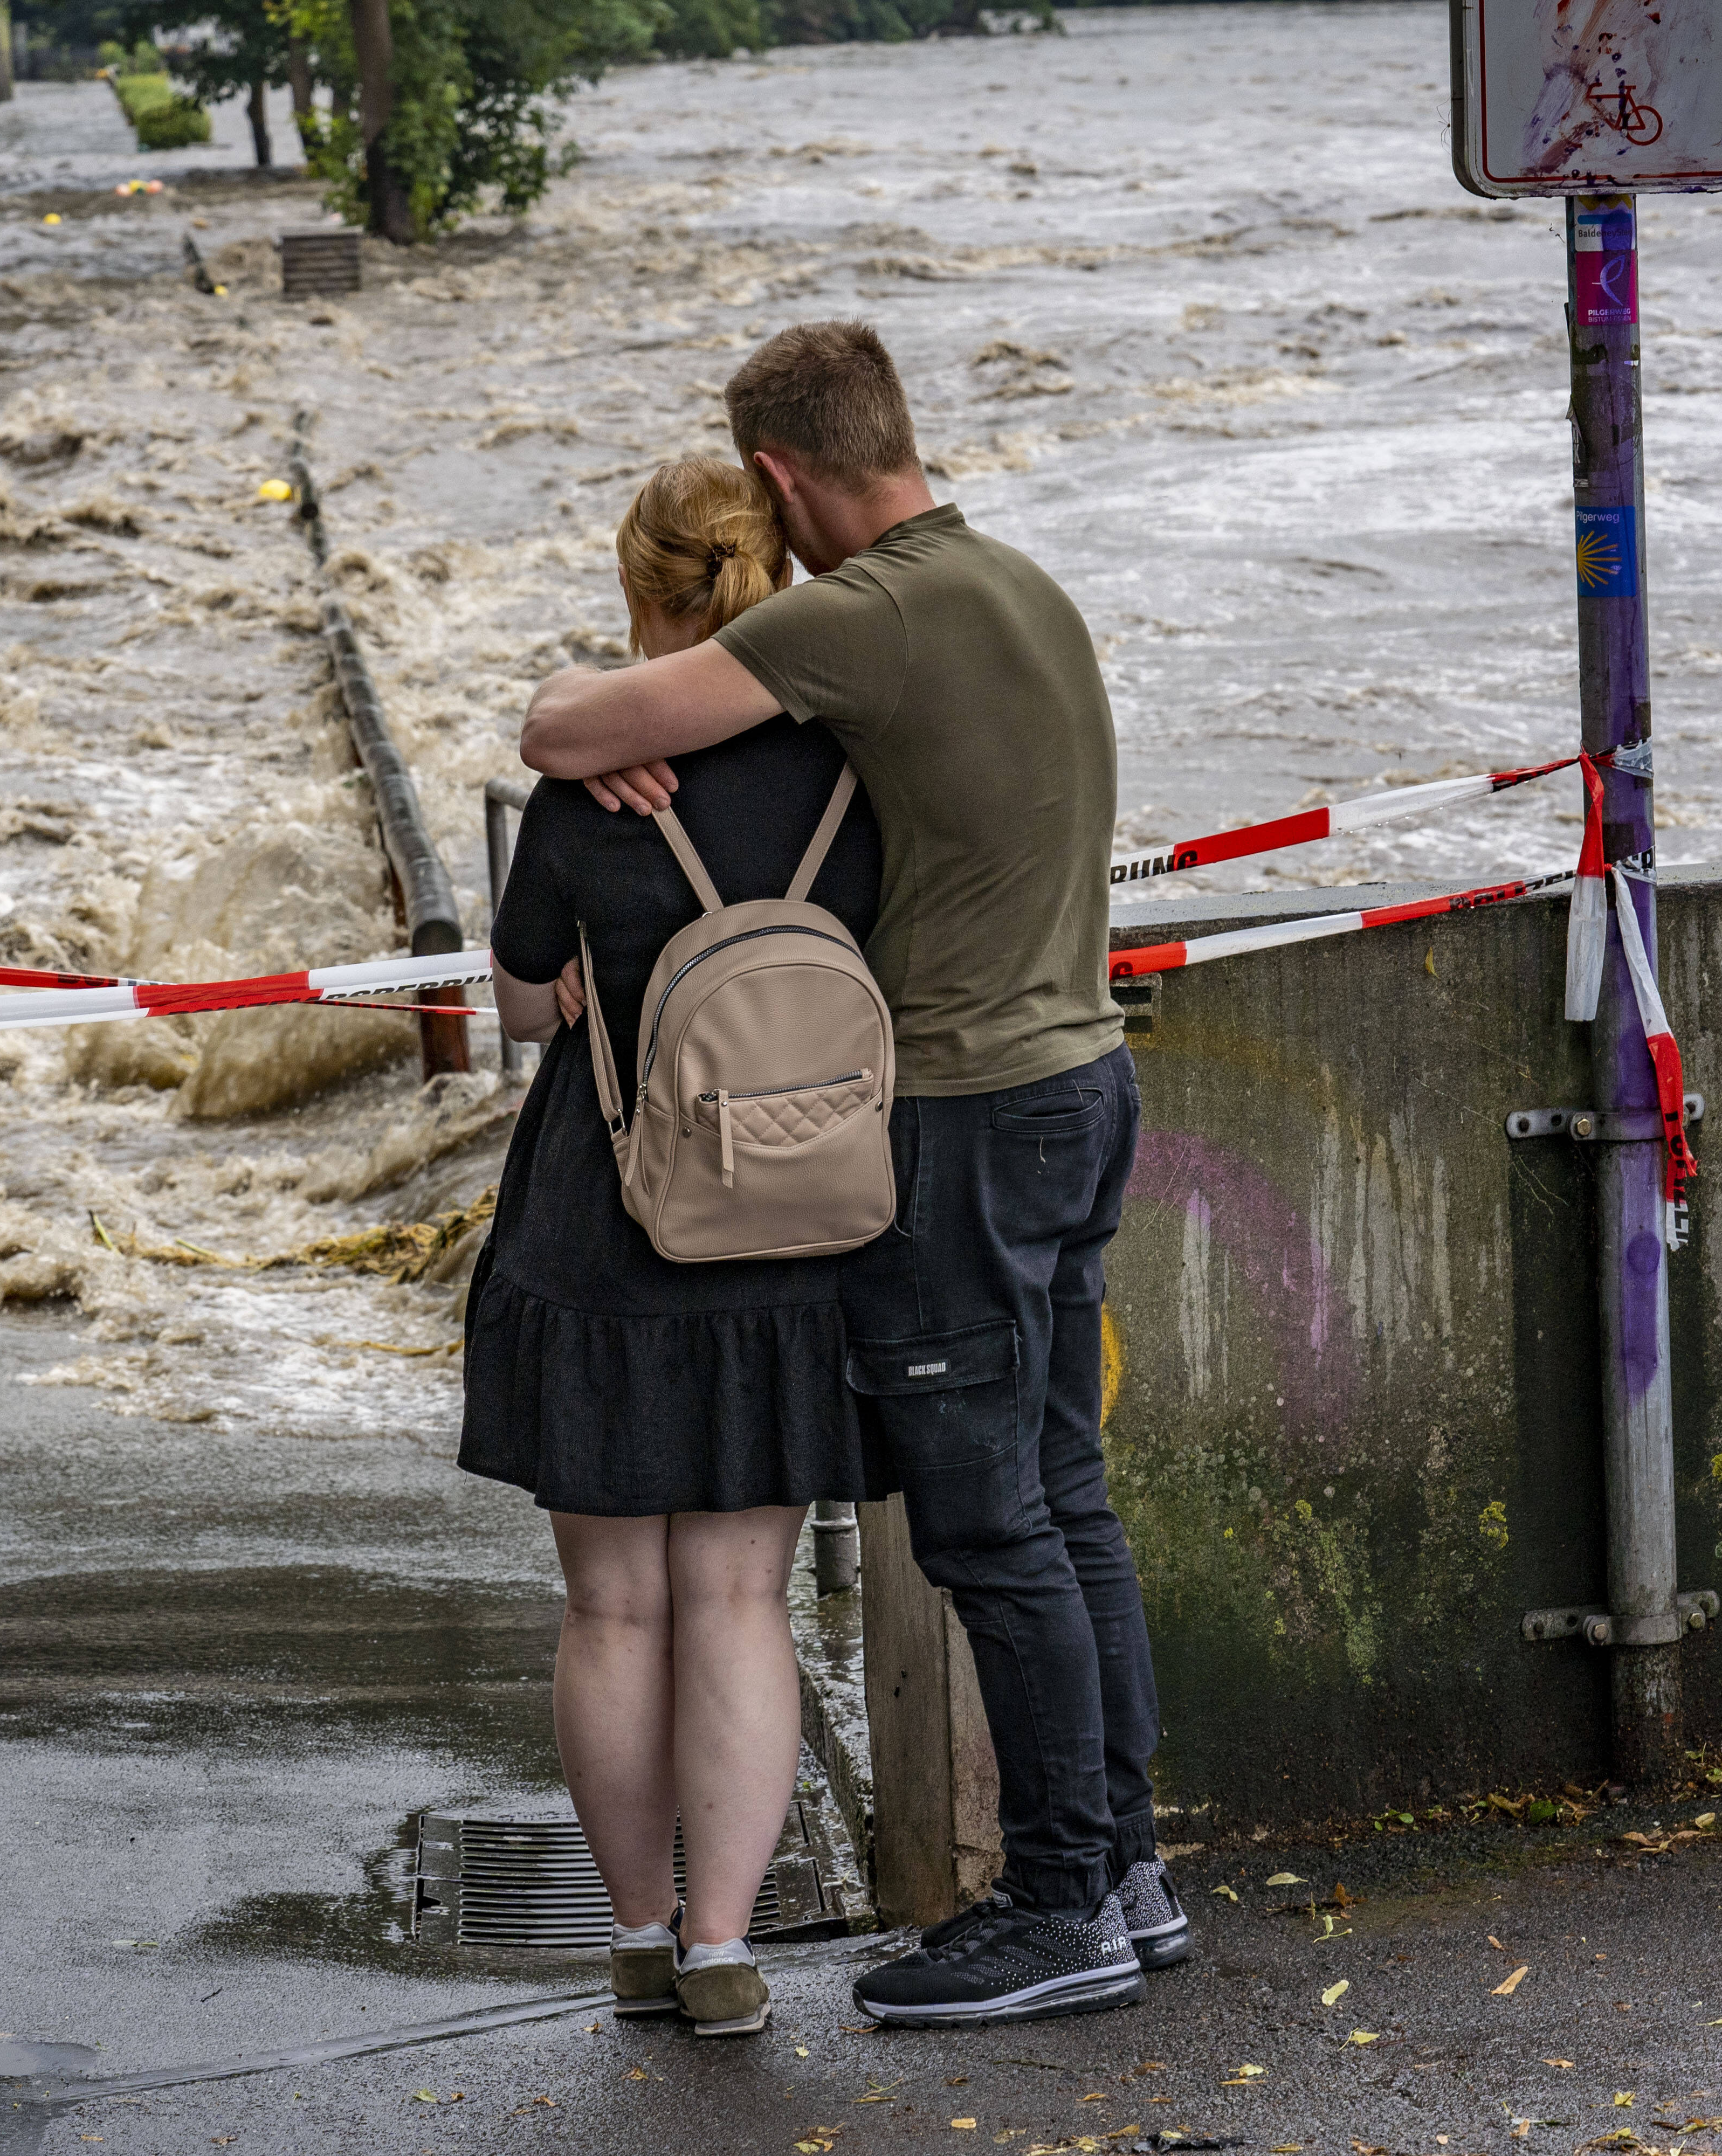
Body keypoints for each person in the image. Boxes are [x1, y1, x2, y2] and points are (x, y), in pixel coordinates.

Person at [516, 322, 1182, 2027]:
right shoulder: (1019, 583)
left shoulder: (860, 612)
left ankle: (1059, 1908)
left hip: (964, 1117)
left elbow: (568, 721)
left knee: (990, 1527)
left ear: (782, 478)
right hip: (1084, 1079)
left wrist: (594, 736)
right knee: (1066, 1495)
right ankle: (1125, 1872)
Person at [462, 458, 890, 2041]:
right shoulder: (856, 768)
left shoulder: (591, 778)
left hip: (602, 1223)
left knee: (614, 1613)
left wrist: (581, 971)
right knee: (738, 1602)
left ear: (642, 591)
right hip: (787, 1222)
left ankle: (637, 1933)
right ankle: (724, 1949)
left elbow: (523, 1004)